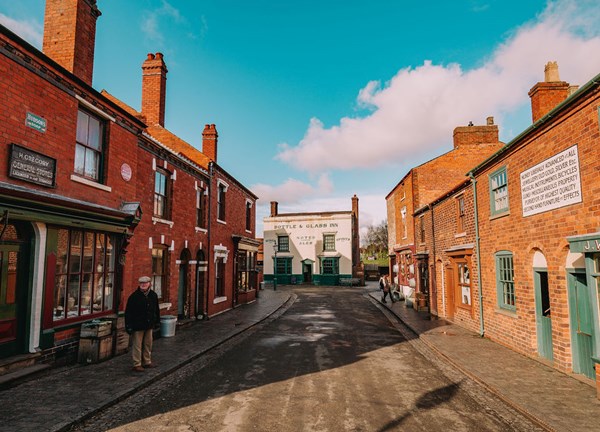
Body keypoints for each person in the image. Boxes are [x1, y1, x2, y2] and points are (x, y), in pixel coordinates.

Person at [125, 276, 160, 372]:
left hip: (149, 324)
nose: (143, 285)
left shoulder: (153, 295)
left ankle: (147, 361)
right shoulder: (134, 297)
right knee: (137, 345)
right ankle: (137, 364)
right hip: (138, 325)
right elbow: (128, 312)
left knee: (148, 343)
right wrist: (128, 325)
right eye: (141, 283)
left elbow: (156, 309)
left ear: (150, 284)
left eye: (145, 283)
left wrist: (157, 321)